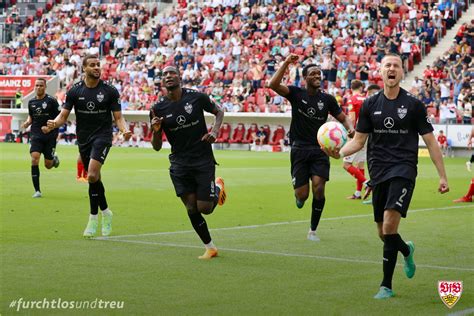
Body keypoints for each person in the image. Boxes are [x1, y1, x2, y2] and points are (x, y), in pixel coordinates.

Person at [323, 53, 449, 299]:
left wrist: (442, 177)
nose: (392, 69)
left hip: (403, 170)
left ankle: (386, 286)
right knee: (383, 233)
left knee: (390, 225)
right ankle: (406, 250)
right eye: (387, 65)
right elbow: (358, 141)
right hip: (378, 172)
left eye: (396, 66)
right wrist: (338, 152)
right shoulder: (370, 105)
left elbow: (431, 143)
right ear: (380, 72)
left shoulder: (413, 105)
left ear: (402, 72)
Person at [269, 53, 355, 242]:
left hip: (320, 150)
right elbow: (272, 85)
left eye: (319, 74)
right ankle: (299, 198)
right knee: (303, 194)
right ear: (305, 77)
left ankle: (313, 230)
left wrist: (350, 129)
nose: (318, 77)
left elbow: (344, 118)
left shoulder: (328, 99)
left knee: (319, 188)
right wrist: (286, 62)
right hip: (299, 149)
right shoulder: (296, 93)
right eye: (313, 74)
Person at [46, 55, 131, 238]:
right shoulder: (75, 91)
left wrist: (124, 130)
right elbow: (63, 115)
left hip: (103, 136)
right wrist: (54, 123)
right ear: (84, 68)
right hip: (83, 139)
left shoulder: (110, 90)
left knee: (91, 175)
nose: (96, 67)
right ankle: (106, 212)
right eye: (92, 65)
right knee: (95, 179)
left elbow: (118, 117)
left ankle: (93, 218)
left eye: (98, 65)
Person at [150, 65, 226, 260]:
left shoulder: (197, 97)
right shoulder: (157, 108)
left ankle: (217, 188)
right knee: (191, 208)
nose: (168, 76)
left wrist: (214, 132)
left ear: (179, 77)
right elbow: (157, 146)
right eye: (165, 74)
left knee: (205, 208)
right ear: (162, 81)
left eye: (172, 73)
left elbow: (219, 112)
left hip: (202, 159)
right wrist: (156, 130)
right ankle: (210, 247)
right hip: (179, 163)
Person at [21, 78, 60, 198]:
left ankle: (54, 159)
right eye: (36, 85)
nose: (38, 87)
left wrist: (50, 127)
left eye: (41, 85)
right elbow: (31, 117)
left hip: (50, 135)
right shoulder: (31, 102)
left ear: (45, 87)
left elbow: (60, 117)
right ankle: (37, 190)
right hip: (36, 134)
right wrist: (27, 123)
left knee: (48, 165)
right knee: (34, 159)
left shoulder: (52, 101)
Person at [343, 80, 368, 200]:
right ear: (361, 88)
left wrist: (350, 133)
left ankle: (367, 183)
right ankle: (358, 194)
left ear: (351, 88)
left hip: (356, 135)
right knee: (360, 164)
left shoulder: (352, 99)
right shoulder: (366, 99)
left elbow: (352, 117)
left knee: (346, 164)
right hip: (367, 135)